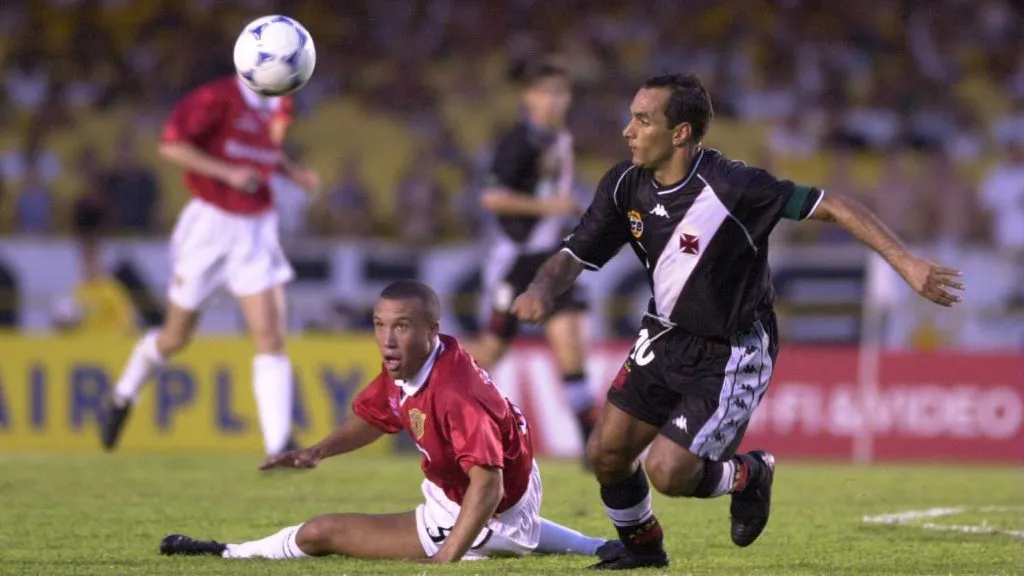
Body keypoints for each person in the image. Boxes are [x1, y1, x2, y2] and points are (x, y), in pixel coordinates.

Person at [512, 74, 965, 570]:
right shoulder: (625, 184)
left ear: (680, 132)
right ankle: (643, 551)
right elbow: (573, 255)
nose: (628, 130)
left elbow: (832, 205)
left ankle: (751, 473)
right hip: (663, 335)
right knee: (606, 454)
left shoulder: (734, 186)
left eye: (642, 119)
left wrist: (907, 264)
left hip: (732, 349)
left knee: (670, 471)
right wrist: (540, 288)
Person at [159, 280, 625, 564]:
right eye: (380, 324)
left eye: (400, 325)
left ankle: (225, 552)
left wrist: (443, 559)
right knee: (514, 531)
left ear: (431, 329)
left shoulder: (454, 392)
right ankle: (595, 545)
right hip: (495, 494)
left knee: (320, 533)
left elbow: (488, 488)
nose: (386, 338)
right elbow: (377, 416)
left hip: (481, 508)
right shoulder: (421, 361)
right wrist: (318, 451)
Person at [99, 74, 319, 456]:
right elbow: (172, 146)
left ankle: (278, 445)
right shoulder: (216, 98)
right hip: (211, 225)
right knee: (175, 337)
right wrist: (227, 173)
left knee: (270, 336)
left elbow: (263, 149)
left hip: (255, 228)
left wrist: (290, 171)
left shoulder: (280, 102)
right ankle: (123, 395)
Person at [466, 57, 597, 450]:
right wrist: (551, 207)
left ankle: (593, 444)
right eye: (546, 93)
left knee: (570, 343)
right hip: (515, 259)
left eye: (561, 92)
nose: (555, 101)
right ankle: (427, 385)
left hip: (551, 258)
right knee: (492, 347)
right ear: (529, 97)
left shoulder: (561, 139)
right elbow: (492, 198)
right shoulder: (518, 142)